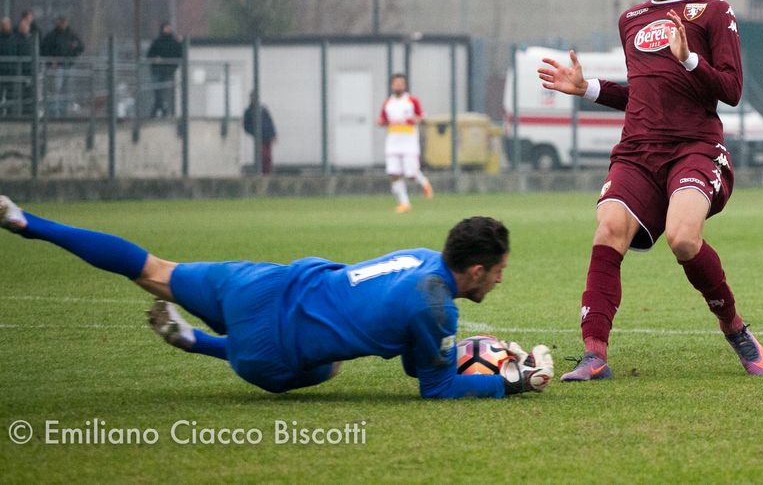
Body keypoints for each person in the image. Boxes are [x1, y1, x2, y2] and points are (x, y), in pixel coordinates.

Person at [0, 197, 553, 398]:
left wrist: (453, 349)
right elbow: (431, 387)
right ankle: (195, 343)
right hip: (269, 352)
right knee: (331, 365)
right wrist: (510, 382)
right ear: (476, 270)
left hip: (263, 283)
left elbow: (413, 355)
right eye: (498, 273)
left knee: (151, 267)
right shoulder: (438, 308)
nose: (500, 281)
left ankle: (28, 221)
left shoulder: (419, 256)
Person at [538, 0, 763, 382]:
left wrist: (688, 60)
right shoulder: (632, 19)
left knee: (683, 239)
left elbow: (731, 89)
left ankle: (735, 326)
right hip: (638, 152)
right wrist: (586, 89)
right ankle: (594, 353)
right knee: (607, 230)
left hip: (694, 147)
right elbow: (641, 93)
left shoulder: (713, 12)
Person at [378, 73, 434, 213]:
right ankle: (404, 203)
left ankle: (424, 182)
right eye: (396, 83)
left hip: (409, 142)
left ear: (405, 85)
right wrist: (381, 122)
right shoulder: (388, 103)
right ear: (392, 85)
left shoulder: (412, 101)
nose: (398, 86)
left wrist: (415, 119)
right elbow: (382, 120)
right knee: (394, 173)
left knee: (410, 174)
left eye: (401, 83)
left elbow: (421, 116)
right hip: (393, 142)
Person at [40, 16, 85, 117]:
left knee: (66, 90)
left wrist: (73, 56)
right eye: (61, 22)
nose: (62, 24)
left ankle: (63, 112)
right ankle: (53, 113)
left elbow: (81, 47)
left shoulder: (72, 35)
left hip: (68, 66)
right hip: (55, 67)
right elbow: (43, 49)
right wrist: (51, 61)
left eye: (64, 22)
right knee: (54, 90)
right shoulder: (51, 36)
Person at [146, 22, 183, 117]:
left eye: (169, 28)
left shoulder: (174, 43)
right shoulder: (157, 42)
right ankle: (161, 109)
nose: (168, 30)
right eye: (166, 28)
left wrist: (173, 67)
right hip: (157, 70)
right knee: (157, 91)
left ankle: (156, 110)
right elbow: (150, 55)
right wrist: (156, 59)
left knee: (163, 90)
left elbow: (179, 56)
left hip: (168, 71)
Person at [242, 92, 277, 175]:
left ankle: (267, 173)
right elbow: (246, 126)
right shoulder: (249, 111)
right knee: (262, 156)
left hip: (267, 136)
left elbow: (269, 122)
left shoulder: (263, 109)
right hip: (259, 138)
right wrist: (254, 132)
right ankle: (261, 172)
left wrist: (273, 134)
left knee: (268, 157)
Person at [0, 17, 15, 115]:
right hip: (1, 71)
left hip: (11, 71)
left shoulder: (14, 38)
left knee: (11, 95)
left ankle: (10, 114)